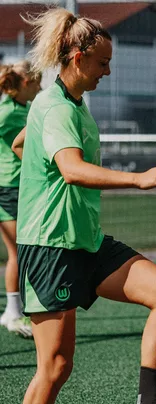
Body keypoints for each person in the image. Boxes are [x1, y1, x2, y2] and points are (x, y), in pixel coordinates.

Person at [18, 8, 156, 404]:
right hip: (51, 246)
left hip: (86, 242)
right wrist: (139, 178)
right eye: (103, 63)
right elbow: (72, 170)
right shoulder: (55, 107)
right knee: (55, 366)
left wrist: (35, 163)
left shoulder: (69, 104)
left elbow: (21, 143)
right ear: (77, 58)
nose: (107, 72)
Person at [0, 61, 41, 338]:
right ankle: (14, 311)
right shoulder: (8, 114)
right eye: (38, 84)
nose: (41, 89)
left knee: (23, 251)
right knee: (19, 252)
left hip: (19, 186)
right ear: (26, 84)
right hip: (9, 187)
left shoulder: (21, 109)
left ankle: (16, 309)